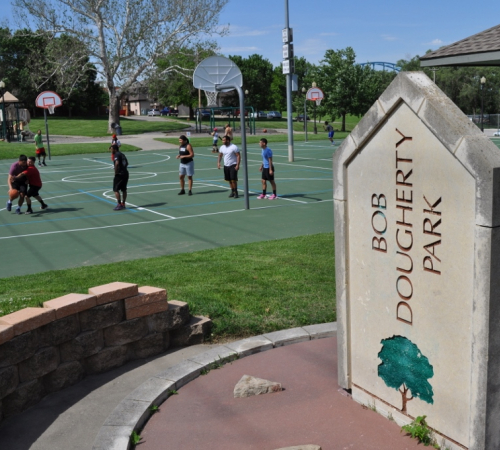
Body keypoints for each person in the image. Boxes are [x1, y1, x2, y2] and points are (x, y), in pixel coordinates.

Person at [110, 144, 129, 210]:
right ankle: (123, 203)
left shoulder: (117, 155)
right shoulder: (122, 154)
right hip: (125, 173)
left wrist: (116, 172)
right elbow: (127, 163)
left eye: (111, 149)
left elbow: (117, 163)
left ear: (115, 149)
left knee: (116, 189)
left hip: (120, 174)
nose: (111, 150)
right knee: (124, 189)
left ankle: (119, 204)